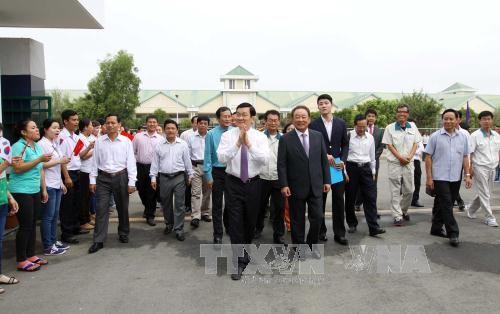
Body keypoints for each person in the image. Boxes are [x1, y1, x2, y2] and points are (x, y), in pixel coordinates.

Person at [217, 103, 269, 280]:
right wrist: (238, 143)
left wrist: (249, 145)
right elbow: (222, 157)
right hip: (233, 182)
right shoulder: (227, 136)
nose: (240, 118)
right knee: (235, 222)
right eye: (237, 114)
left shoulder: (260, 137)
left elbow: (264, 160)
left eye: (244, 115)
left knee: (250, 222)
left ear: (252, 118)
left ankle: (245, 252)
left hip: (254, 183)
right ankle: (238, 261)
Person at [278, 106, 330, 255]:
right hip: (295, 186)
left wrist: (327, 180)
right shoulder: (286, 139)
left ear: (309, 119)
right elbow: (281, 164)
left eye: (303, 117)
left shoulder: (317, 136)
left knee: (318, 217)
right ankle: (299, 248)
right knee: (297, 220)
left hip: (316, 185)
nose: (300, 120)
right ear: (292, 119)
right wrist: (284, 184)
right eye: (297, 117)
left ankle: (312, 245)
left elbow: (323, 160)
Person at [88, 114, 137, 254]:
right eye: (107, 123)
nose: (110, 125)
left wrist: (132, 182)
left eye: (113, 123)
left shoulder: (126, 141)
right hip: (103, 178)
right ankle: (98, 240)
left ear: (119, 124)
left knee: (122, 207)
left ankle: (123, 233)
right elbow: (94, 162)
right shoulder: (99, 141)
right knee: (101, 208)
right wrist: (92, 180)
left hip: (121, 176)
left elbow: (131, 162)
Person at [425, 109, 471, 247]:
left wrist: (467, 175)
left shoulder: (463, 137)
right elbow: (428, 157)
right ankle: (453, 233)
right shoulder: (435, 136)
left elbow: (465, 156)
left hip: (455, 176)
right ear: (442, 120)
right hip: (440, 176)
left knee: (443, 203)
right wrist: (429, 178)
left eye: (451, 119)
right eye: (445, 118)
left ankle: (436, 228)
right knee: (447, 204)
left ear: (457, 120)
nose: (448, 121)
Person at [10, 119, 51, 270]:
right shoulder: (18, 147)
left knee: (33, 223)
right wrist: (39, 159)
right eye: (32, 128)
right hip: (21, 190)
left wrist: (44, 189)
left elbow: (40, 169)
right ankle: (21, 260)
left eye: (36, 127)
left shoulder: (36, 146)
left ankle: (31, 254)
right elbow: (18, 168)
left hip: (34, 190)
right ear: (23, 132)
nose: (37, 129)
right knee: (25, 225)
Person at [309, 94, 348, 245]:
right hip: (320, 167)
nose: (323, 106)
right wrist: (325, 154)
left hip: (337, 167)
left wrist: (343, 160)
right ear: (318, 107)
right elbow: (312, 145)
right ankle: (321, 231)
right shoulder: (313, 124)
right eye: (320, 104)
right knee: (320, 201)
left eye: (326, 103)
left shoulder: (341, 123)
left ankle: (340, 233)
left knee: (339, 201)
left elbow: (345, 144)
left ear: (331, 105)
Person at [150, 119, 193, 241]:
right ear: (164, 130)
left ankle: (179, 229)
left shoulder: (182, 144)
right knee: (166, 204)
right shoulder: (159, 145)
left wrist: (190, 174)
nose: (170, 130)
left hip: (179, 177)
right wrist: (153, 177)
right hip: (164, 178)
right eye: (168, 128)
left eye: (173, 128)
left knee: (180, 204)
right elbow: (155, 163)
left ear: (177, 130)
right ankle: (169, 224)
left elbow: (187, 161)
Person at [344, 115, 385, 236]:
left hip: (366, 169)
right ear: (355, 125)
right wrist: (344, 172)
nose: (362, 129)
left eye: (364, 126)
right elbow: (344, 155)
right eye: (359, 126)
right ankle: (352, 223)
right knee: (350, 198)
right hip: (351, 169)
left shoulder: (370, 137)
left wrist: (373, 171)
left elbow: (372, 156)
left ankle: (373, 227)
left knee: (370, 198)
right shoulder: (348, 136)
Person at [382, 104, 422, 226]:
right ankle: (397, 216)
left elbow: (416, 143)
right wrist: (400, 157)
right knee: (395, 190)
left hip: (409, 163)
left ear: (407, 114)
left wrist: (409, 156)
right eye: (399, 112)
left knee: (409, 190)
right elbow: (389, 145)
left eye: (404, 112)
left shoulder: (413, 127)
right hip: (395, 163)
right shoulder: (390, 128)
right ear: (396, 113)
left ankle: (403, 210)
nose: (401, 114)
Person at [38, 119, 71, 255]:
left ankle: (53, 241)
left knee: (54, 216)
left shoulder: (54, 143)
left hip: (56, 183)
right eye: (54, 128)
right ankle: (47, 246)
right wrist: (59, 160)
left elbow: (56, 166)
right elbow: (40, 165)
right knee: (47, 217)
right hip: (48, 184)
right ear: (45, 129)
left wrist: (61, 182)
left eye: (58, 128)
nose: (57, 130)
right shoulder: (41, 144)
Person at [255, 110, 285, 244]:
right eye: (270, 120)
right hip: (261, 178)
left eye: (275, 120)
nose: (273, 122)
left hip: (278, 178)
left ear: (279, 122)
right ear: (265, 122)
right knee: (260, 206)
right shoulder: (258, 137)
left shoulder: (284, 138)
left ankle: (278, 235)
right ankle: (257, 229)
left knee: (279, 209)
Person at [59, 109, 88, 244]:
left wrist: (89, 148)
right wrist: (66, 177)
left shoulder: (76, 137)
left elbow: (78, 155)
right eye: (73, 120)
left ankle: (75, 227)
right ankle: (67, 233)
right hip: (68, 174)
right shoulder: (61, 137)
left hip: (77, 171)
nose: (76, 122)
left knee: (77, 202)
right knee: (67, 205)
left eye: (77, 120)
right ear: (65, 121)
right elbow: (62, 159)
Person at [204, 107, 232, 244]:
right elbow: (208, 156)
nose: (227, 119)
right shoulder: (211, 134)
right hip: (217, 172)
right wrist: (208, 175)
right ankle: (217, 233)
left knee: (231, 203)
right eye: (224, 116)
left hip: (233, 172)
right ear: (218, 118)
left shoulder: (235, 132)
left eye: (229, 116)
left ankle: (228, 225)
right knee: (217, 205)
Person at [466, 111, 500, 227]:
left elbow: (497, 151)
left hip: (492, 167)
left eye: (489, 119)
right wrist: (469, 172)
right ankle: (489, 218)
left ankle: (471, 209)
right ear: (480, 121)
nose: (487, 121)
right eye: (484, 119)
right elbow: (469, 153)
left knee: (486, 192)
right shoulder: (475, 136)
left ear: (492, 120)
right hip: (480, 167)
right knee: (485, 193)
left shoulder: (496, 135)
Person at [0, 122, 20, 293]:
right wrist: (6, 164)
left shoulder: (2, 152)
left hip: (2, 200)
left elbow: (2, 178)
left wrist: (9, 196)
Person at [132, 115, 163, 226]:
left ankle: (150, 215)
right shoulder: (138, 137)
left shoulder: (160, 139)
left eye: (154, 122)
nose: (152, 124)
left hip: (154, 168)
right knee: (141, 190)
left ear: (157, 124)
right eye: (150, 122)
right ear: (146, 123)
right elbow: (133, 152)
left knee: (152, 192)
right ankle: (147, 208)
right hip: (139, 167)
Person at [354, 108, 384, 212]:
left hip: (374, 161)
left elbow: (381, 146)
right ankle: (357, 203)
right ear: (365, 118)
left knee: (372, 185)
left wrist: (373, 157)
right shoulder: (361, 129)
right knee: (359, 184)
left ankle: (372, 208)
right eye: (369, 116)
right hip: (360, 161)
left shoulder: (379, 131)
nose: (371, 118)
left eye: (373, 116)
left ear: (375, 118)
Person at [187, 116, 211, 228]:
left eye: (205, 123)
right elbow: (187, 155)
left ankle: (205, 212)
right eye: (200, 123)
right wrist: (189, 171)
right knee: (196, 192)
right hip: (195, 167)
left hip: (208, 168)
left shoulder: (211, 137)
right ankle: (195, 216)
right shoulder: (191, 137)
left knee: (207, 192)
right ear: (197, 124)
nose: (202, 125)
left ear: (208, 125)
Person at [78, 119, 95, 231]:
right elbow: (82, 156)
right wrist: (94, 149)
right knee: (83, 198)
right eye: (91, 125)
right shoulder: (80, 139)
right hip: (83, 171)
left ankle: (88, 217)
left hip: (91, 171)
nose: (92, 127)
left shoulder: (90, 138)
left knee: (89, 196)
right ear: (85, 127)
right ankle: (83, 221)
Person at [181, 116, 198, 215]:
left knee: (197, 188)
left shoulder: (206, 134)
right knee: (188, 186)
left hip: (198, 163)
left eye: (199, 122)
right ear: (192, 123)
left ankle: (197, 206)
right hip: (187, 163)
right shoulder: (185, 134)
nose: (197, 124)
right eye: (195, 122)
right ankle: (187, 205)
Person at [411, 141, 425, 207]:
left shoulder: (418, 137)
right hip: (407, 160)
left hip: (416, 161)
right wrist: (415, 151)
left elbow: (421, 149)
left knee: (417, 181)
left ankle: (415, 199)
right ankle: (406, 199)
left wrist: (412, 152)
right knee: (406, 181)